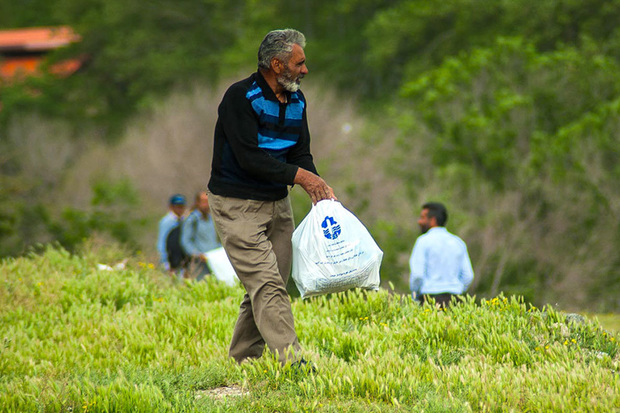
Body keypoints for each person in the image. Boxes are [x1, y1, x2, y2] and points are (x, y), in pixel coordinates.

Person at [207, 28, 336, 366]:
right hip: (237, 205)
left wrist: (317, 186)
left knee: (270, 284)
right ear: (277, 65)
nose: (305, 70)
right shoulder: (240, 97)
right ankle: (293, 363)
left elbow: (299, 154)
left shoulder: (297, 100)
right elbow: (250, 158)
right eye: (300, 63)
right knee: (266, 284)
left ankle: (243, 360)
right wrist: (302, 178)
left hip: (278, 204)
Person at [409, 202, 474, 307]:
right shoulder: (458, 242)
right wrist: (457, 289)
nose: (419, 221)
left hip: (430, 300)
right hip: (455, 300)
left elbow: (417, 275)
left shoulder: (423, 241)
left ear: (433, 220)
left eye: (422, 218)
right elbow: (468, 276)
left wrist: (415, 296)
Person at [180, 191, 221, 281]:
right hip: (200, 263)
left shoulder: (212, 219)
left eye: (208, 201)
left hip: (214, 262)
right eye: (203, 202)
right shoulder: (192, 219)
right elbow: (185, 241)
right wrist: (197, 254)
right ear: (197, 203)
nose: (206, 205)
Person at [156, 194, 187, 276]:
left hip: (181, 261)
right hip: (170, 261)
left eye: (182, 206)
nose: (180, 209)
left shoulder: (184, 221)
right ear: (171, 207)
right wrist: (165, 261)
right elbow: (162, 242)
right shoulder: (166, 221)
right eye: (177, 206)